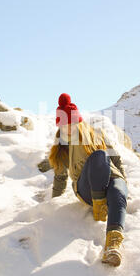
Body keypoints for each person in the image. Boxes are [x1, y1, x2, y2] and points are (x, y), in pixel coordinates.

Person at [48, 93, 128, 267]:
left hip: (112, 178)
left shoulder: (97, 134)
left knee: (117, 191)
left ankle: (113, 245)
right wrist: (53, 203)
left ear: (79, 121)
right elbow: (60, 177)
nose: (68, 129)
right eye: (64, 125)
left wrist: (124, 183)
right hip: (86, 189)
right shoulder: (61, 147)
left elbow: (116, 159)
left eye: (72, 123)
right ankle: (99, 203)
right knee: (98, 156)